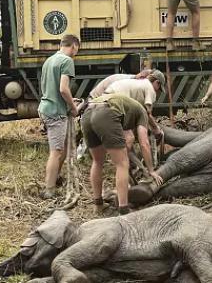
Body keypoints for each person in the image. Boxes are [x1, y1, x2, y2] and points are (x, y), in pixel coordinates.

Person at [82, 94, 163, 215]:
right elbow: (144, 143)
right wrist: (151, 170)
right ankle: (124, 209)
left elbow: (127, 138)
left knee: (97, 161)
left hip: (87, 112)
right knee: (122, 164)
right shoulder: (143, 113)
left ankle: (98, 205)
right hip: (105, 112)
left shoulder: (129, 108)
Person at [38, 34, 81, 200]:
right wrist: (73, 107)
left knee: (60, 148)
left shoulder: (50, 60)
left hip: (46, 107)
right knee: (56, 152)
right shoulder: (67, 61)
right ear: (74, 46)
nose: (76, 53)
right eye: (77, 49)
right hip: (56, 113)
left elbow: (49, 88)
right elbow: (63, 89)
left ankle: (55, 178)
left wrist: (69, 102)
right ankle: (49, 189)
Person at [103, 70, 166, 147]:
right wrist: (156, 129)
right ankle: (122, 157)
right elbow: (147, 113)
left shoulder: (139, 83)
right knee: (129, 138)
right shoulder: (150, 88)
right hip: (115, 102)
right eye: (159, 88)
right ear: (157, 82)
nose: (157, 91)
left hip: (105, 98)